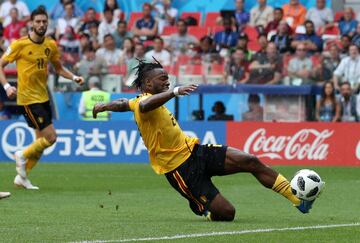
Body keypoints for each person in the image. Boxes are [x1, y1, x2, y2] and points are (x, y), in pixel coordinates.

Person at [92, 58, 316, 221]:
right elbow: (141, 104)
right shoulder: (144, 104)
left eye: (169, 80)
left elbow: (123, 102)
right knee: (228, 214)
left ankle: (298, 199)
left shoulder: (140, 101)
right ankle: (199, 204)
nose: (168, 82)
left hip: (195, 151)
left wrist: (103, 105)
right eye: (163, 79)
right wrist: (175, 92)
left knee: (250, 160)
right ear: (149, 85)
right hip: (179, 170)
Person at [0, 6, 84, 189]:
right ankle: (21, 155)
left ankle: (22, 178)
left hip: (43, 97)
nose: (41, 24)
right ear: (31, 23)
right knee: (51, 137)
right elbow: (0, 65)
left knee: (41, 142)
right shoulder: (19, 44)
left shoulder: (50, 45)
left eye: (44, 21)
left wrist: (74, 77)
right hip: (28, 100)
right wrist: (6, 86)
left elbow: (58, 68)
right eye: (38, 21)